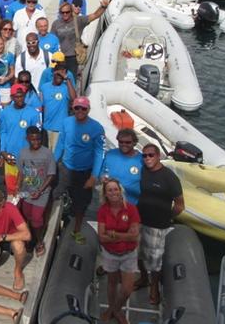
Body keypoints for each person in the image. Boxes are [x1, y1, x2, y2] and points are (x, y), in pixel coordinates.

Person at [135, 144, 184, 306]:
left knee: (155, 260)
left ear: (158, 156)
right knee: (138, 255)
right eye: (144, 156)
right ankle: (143, 278)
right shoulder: (141, 171)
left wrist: (166, 217)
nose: (147, 158)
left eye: (151, 155)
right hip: (139, 221)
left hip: (158, 225)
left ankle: (154, 286)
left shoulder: (169, 177)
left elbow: (179, 205)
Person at [53, 96, 105, 244]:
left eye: (83, 108)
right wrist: (53, 163)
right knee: (54, 195)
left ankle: (76, 230)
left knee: (81, 204)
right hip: (66, 169)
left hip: (84, 173)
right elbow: (60, 145)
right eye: (77, 108)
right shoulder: (66, 122)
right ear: (73, 108)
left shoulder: (97, 128)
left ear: (88, 109)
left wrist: (94, 176)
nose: (80, 111)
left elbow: (99, 153)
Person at [97, 178, 140, 324]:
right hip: (110, 254)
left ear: (120, 191)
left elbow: (134, 235)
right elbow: (102, 237)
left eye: (115, 189)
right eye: (110, 190)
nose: (113, 192)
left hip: (128, 254)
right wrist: (125, 236)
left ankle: (115, 309)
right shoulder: (103, 210)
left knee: (127, 289)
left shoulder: (131, 209)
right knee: (112, 283)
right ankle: (113, 309)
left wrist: (114, 234)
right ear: (105, 194)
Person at [17, 127, 56, 257]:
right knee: (27, 216)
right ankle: (30, 239)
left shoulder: (47, 153)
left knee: (37, 219)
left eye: (38, 139)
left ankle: (39, 242)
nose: (36, 142)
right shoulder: (22, 153)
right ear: (27, 139)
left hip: (42, 192)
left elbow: (51, 175)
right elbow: (21, 173)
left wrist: (40, 190)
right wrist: (18, 188)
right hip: (27, 192)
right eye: (32, 139)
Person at [50, 0, 110, 77]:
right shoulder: (56, 23)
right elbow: (52, 39)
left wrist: (103, 7)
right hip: (60, 58)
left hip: (73, 57)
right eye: (62, 12)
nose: (65, 14)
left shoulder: (78, 20)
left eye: (67, 12)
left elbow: (95, 15)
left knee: (71, 79)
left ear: (71, 12)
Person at [96, 129, 144, 205]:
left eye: (128, 142)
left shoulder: (142, 160)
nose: (124, 144)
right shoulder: (110, 154)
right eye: (121, 142)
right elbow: (101, 172)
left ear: (134, 143)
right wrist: (102, 177)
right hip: (108, 202)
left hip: (130, 204)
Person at [39, 61, 76, 150]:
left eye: (63, 74)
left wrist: (67, 79)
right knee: (46, 157)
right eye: (58, 73)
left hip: (60, 129)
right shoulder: (44, 87)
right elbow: (41, 106)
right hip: (46, 128)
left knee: (56, 158)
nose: (60, 76)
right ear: (53, 73)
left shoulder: (66, 87)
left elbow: (74, 99)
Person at [0, 84, 42, 160]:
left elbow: (36, 136)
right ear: (12, 97)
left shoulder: (34, 113)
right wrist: (3, 150)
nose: (20, 99)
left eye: (22, 96)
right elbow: (3, 132)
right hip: (10, 153)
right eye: (17, 97)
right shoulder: (5, 112)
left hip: (28, 154)